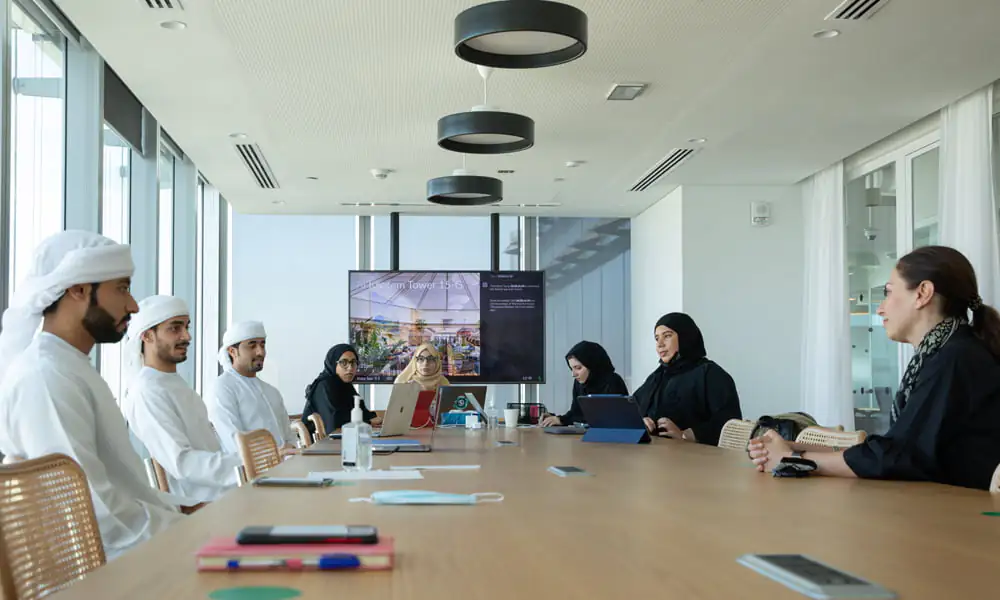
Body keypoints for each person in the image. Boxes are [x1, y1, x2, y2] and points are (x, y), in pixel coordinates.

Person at [0, 231, 191, 560]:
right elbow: (96, 516)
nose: (132, 305)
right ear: (78, 290)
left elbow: (124, 497)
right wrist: (194, 538)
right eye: (122, 288)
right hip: (102, 578)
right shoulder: (47, 378)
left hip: (135, 558)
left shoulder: (72, 368)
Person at [749, 246, 1000, 490]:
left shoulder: (955, 358)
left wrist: (795, 461)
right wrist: (794, 449)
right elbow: (897, 446)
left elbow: (898, 457)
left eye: (889, 293)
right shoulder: (944, 352)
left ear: (923, 293)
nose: (880, 308)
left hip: (964, 517)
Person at [121, 296, 241, 503]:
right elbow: (183, 463)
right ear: (147, 336)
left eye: (187, 327)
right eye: (175, 328)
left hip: (231, 493)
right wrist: (249, 464)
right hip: (203, 508)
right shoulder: (147, 391)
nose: (186, 336)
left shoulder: (173, 384)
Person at [633, 313, 742, 445]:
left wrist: (686, 435)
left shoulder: (710, 374)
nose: (660, 344)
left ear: (685, 337)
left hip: (698, 460)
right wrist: (640, 423)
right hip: (656, 456)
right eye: (657, 339)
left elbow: (730, 424)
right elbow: (632, 408)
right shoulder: (657, 377)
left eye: (667, 336)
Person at [209, 321, 296, 454]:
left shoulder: (271, 392)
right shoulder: (222, 388)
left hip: (284, 468)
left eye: (262, 344)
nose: (260, 352)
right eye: (252, 346)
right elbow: (235, 444)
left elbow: (289, 438)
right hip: (248, 472)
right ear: (232, 351)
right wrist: (276, 455)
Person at [540, 341, 629, 427]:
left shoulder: (613, 382)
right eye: (572, 369)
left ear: (592, 365)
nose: (573, 374)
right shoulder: (580, 383)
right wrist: (555, 419)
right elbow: (576, 413)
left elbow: (606, 418)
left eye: (578, 368)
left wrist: (562, 420)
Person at [302, 344, 382, 435]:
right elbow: (335, 423)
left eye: (353, 362)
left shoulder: (345, 386)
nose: (350, 368)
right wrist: (369, 422)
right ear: (332, 363)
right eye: (344, 362)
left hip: (344, 440)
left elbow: (362, 413)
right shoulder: (325, 386)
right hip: (323, 445)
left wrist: (376, 419)